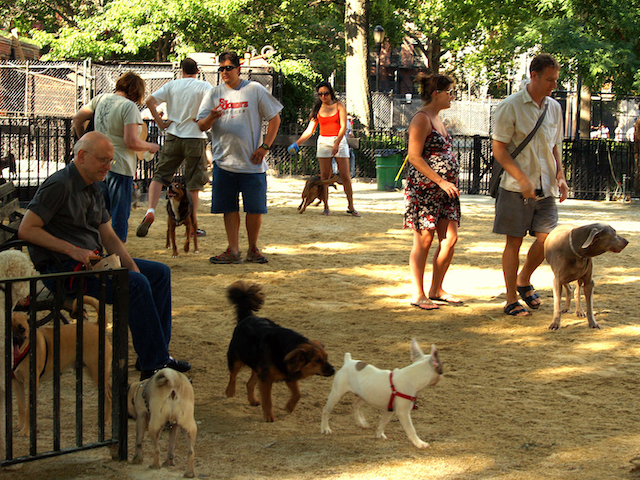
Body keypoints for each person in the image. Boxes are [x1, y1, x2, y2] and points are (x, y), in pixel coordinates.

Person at [18, 131, 190, 380]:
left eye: (111, 161)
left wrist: (131, 265)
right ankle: (156, 366)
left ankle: (154, 355)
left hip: (92, 263)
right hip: (65, 271)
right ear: (81, 156)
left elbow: (108, 236)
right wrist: (72, 250)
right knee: (136, 285)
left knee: (158, 274)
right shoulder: (59, 185)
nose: (108, 166)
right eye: (103, 160)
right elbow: (26, 229)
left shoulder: (94, 186)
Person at [492, 53, 569, 317]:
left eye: (556, 80)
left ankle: (523, 278)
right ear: (533, 75)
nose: (553, 86)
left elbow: (554, 144)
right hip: (514, 187)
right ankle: (511, 299)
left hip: (546, 185)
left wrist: (560, 175)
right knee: (513, 242)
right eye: (549, 80)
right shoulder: (510, 106)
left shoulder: (554, 108)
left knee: (547, 240)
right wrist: (522, 179)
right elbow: (499, 150)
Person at [196, 51, 282, 264]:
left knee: (254, 209)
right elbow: (200, 125)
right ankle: (233, 250)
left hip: (252, 163)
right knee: (229, 208)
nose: (224, 72)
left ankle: (253, 248)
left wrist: (265, 147)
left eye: (228, 68)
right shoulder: (214, 93)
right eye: (221, 69)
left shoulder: (254, 89)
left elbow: (275, 118)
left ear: (238, 69)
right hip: (224, 162)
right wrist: (212, 116)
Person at [72, 72, 159, 242]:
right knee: (120, 215)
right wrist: (151, 146)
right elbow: (131, 142)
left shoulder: (100, 99)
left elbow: (77, 118)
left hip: (97, 165)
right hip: (120, 166)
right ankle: (117, 257)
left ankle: (92, 248)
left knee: (97, 213)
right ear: (136, 92)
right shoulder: (130, 107)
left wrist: (84, 141)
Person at [136, 58, 213, 238]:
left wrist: (161, 123)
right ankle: (192, 226)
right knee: (193, 183)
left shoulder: (172, 85)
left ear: (181, 70)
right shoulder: (204, 86)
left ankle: (150, 211)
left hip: (173, 134)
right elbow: (216, 103)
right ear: (198, 70)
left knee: (160, 176)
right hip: (194, 136)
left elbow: (149, 101)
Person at [404, 73, 461, 311]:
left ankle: (436, 288)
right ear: (436, 93)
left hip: (446, 191)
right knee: (424, 240)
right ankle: (418, 293)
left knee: (450, 239)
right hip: (426, 190)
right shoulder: (421, 118)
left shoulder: (438, 119)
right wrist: (440, 180)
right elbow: (414, 157)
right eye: (450, 92)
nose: (453, 97)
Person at [288, 82, 360, 216]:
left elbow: (343, 127)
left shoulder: (339, 106)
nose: (323, 96)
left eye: (326, 93)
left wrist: (337, 144)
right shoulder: (317, 109)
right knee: (324, 176)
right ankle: (326, 206)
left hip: (338, 140)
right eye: (320, 94)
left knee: (345, 176)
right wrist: (297, 143)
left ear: (331, 93)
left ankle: (351, 205)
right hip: (323, 141)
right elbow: (310, 130)